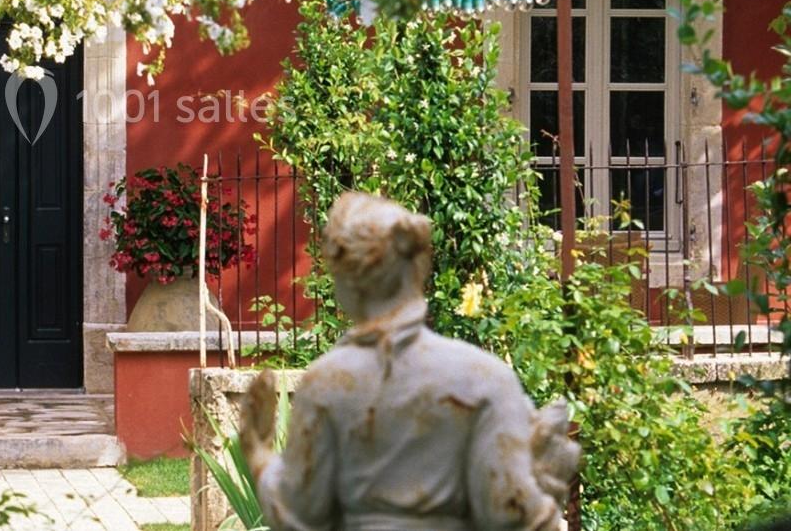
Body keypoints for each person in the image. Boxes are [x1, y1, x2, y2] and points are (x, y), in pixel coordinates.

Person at [240, 192, 579, 531]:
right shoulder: (486, 377)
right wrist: (546, 476)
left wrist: (259, 456)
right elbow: (511, 512)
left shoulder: (326, 383)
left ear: (345, 282)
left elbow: (302, 513)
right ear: (417, 270)